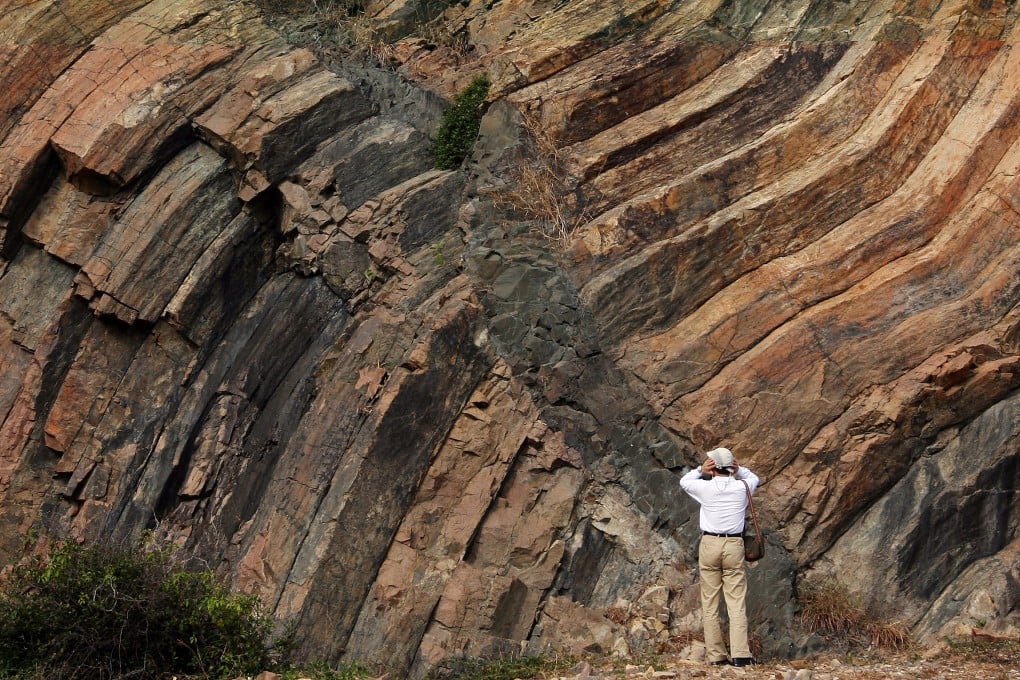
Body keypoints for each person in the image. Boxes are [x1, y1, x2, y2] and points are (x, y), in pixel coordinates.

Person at [679, 446, 760, 667]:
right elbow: (754, 477)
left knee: (710, 602)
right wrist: (740, 469)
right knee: (736, 601)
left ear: (712, 467)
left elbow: (685, 481)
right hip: (734, 545)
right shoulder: (743, 486)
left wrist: (700, 469)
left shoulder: (705, 488)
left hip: (710, 543)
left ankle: (716, 656)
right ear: (731, 467)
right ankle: (740, 655)